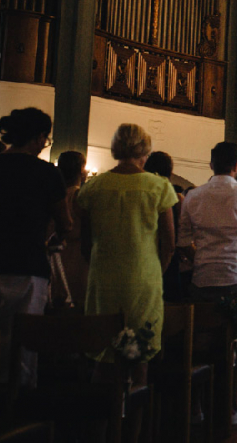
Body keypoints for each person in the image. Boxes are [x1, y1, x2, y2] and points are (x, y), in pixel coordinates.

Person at [76, 124, 177, 386]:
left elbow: (84, 240)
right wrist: (157, 270)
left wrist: (98, 263)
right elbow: (169, 243)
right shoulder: (159, 187)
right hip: (144, 279)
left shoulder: (94, 186)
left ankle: (101, 423)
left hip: (103, 280)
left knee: (102, 356)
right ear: (145, 150)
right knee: (139, 356)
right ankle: (133, 425)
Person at [177, 141, 237, 425]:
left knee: (198, 344)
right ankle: (232, 407)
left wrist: (201, 257)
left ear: (211, 164)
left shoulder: (193, 196)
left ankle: (196, 407)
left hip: (202, 279)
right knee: (234, 344)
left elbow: (182, 242)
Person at [0, 108, 69, 385]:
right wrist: (53, 240)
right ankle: (17, 411)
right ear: (39, 136)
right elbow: (65, 223)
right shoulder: (46, 173)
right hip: (28, 267)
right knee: (24, 347)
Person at [144, 151, 188, 302]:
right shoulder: (176, 197)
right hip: (169, 256)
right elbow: (181, 230)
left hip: (147, 253)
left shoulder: (146, 194)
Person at [51, 150, 87, 309]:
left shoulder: (54, 195)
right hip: (77, 255)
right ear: (81, 171)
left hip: (56, 254)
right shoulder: (79, 196)